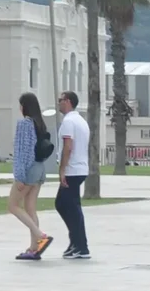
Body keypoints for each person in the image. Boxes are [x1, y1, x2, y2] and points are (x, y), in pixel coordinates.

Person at [6, 91, 54, 261]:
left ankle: (40, 235)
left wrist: (19, 176)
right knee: (30, 207)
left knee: (13, 205)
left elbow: (22, 151)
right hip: (40, 168)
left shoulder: (25, 124)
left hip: (28, 169)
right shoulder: (39, 123)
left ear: (24, 106)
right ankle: (34, 249)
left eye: (20, 104)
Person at [52, 90, 92, 260]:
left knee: (67, 206)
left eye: (60, 100)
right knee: (65, 205)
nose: (58, 103)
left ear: (67, 101)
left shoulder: (69, 122)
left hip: (72, 170)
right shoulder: (80, 121)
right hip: (80, 168)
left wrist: (62, 170)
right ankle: (75, 242)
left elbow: (68, 147)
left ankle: (81, 246)